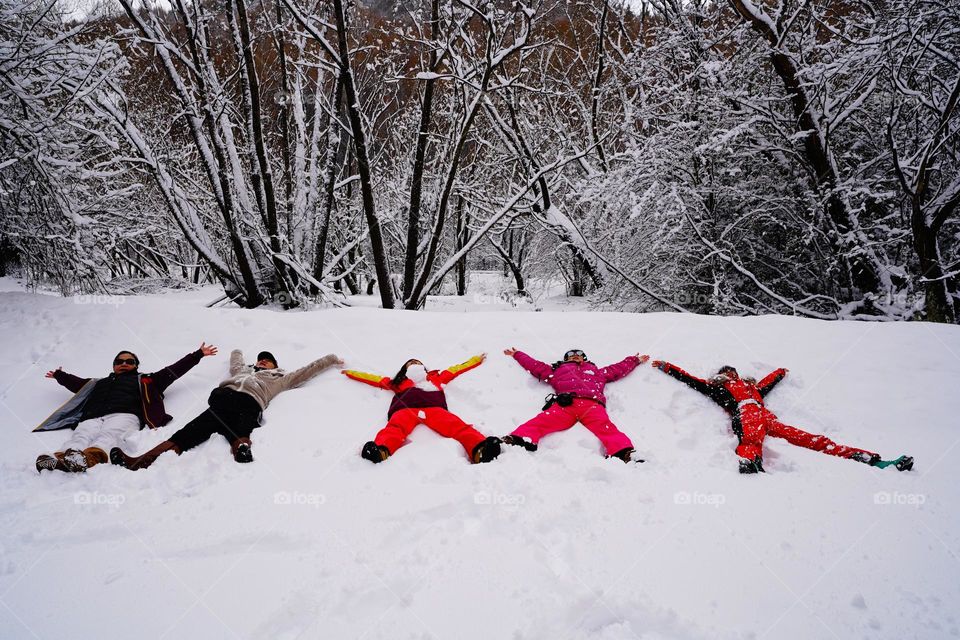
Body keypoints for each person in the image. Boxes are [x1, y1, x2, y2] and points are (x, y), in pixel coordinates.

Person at [651, 360, 914, 473]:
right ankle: (751, 462)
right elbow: (691, 380)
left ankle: (867, 458)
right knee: (752, 439)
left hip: (767, 417)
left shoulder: (752, 387)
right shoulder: (719, 388)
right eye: (728, 372)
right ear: (722, 376)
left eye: (734, 372)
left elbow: (767, 384)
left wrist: (779, 373)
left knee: (812, 439)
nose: (732, 374)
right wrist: (667, 367)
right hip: (746, 414)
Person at [110, 349, 341, 469]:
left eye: (267, 360)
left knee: (243, 425)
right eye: (260, 359)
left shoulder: (280, 377)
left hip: (251, 401)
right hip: (223, 399)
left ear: (275, 365)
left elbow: (307, 371)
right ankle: (143, 460)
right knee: (190, 431)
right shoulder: (242, 371)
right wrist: (238, 350)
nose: (262, 362)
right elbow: (236, 362)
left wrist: (330, 359)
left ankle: (241, 449)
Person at [34, 344, 217, 473]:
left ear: (136, 365)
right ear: (114, 366)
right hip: (91, 416)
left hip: (125, 415)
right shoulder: (97, 383)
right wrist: (60, 375)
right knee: (80, 436)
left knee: (108, 436)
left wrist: (197, 355)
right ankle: (61, 459)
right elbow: (77, 384)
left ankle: (90, 458)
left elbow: (173, 370)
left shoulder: (147, 379)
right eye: (120, 361)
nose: (124, 363)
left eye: (129, 361)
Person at [343, 355, 501, 464]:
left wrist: (475, 360)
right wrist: (350, 373)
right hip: (406, 409)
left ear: (423, 367)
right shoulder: (398, 382)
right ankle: (381, 450)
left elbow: (456, 369)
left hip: (434, 408)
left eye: (416, 362)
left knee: (456, 426)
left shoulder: (435, 377)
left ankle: (480, 449)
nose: (413, 364)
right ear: (404, 369)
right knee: (395, 428)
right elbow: (373, 378)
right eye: (410, 363)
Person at [501, 348, 647, 462]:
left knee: (606, 428)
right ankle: (517, 439)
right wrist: (517, 354)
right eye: (571, 354)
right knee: (541, 421)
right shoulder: (557, 371)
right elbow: (535, 366)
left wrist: (634, 360)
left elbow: (617, 369)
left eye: (579, 354)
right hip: (566, 404)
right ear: (566, 359)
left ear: (584, 358)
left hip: (592, 405)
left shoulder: (596, 372)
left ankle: (624, 453)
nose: (575, 355)